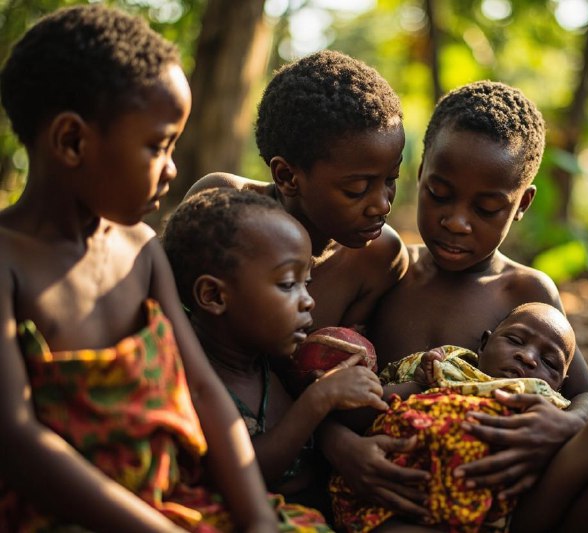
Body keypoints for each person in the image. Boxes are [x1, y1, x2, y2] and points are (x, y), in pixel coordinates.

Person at [0, 5, 279, 531]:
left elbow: (203, 392)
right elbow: (17, 441)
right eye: (158, 145)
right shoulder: (7, 262)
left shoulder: (142, 250)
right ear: (72, 141)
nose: (173, 168)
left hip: (179, 504)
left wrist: (260, 519)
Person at [366, 80, 588, 531]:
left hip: (512, 505)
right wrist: (341, 446)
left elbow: (587, 396)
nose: (457, 221)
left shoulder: (526, 292)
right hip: (401, 498)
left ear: (522, 203)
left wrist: (564, 426)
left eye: (487, 208)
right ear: (419, 173)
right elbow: (327, 379)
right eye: (440, 194)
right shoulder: (388, 269)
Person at [183, 50, 432, 516]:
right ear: (286, 175)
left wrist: (340, 444)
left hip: (301, 470)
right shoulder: (223, 209)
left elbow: (336, 381)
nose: (380, 204)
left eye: (391, 181)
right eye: (357, 189)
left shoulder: (376, 257)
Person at [161, 187, 388, 520]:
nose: (308, 301)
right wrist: (318, 400)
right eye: (287, 285)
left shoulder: (272, 366)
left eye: (306, 282)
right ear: (213, 295)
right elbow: (244, 471)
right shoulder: (194, 382)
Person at [330, 302, 576, 532]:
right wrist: (418, 384)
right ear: (484, 344)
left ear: (560, 386)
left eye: (549, 362)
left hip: (485, 510)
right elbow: (371, 409)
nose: (529, 357)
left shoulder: (548, 410)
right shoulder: (444, 366)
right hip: (399, 492)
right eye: (514, 340)